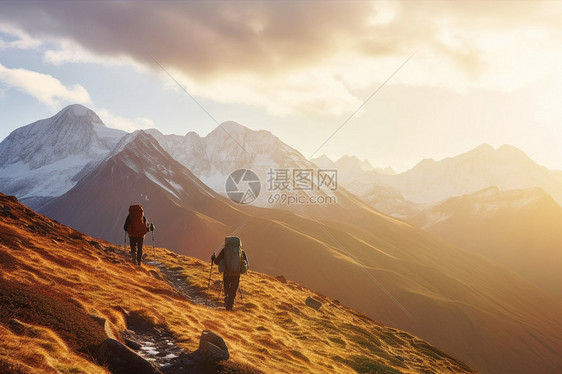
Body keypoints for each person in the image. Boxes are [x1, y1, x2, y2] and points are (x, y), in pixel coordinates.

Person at [211, 236, 248, 311]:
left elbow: (216, 262)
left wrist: (213, 257)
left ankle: (227, 301)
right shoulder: (241, 251)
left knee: (227, 290)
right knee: (233, 292)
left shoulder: (225, 250)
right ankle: (230, 306)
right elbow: (246, 263)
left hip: (226, 274)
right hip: (236, 275)